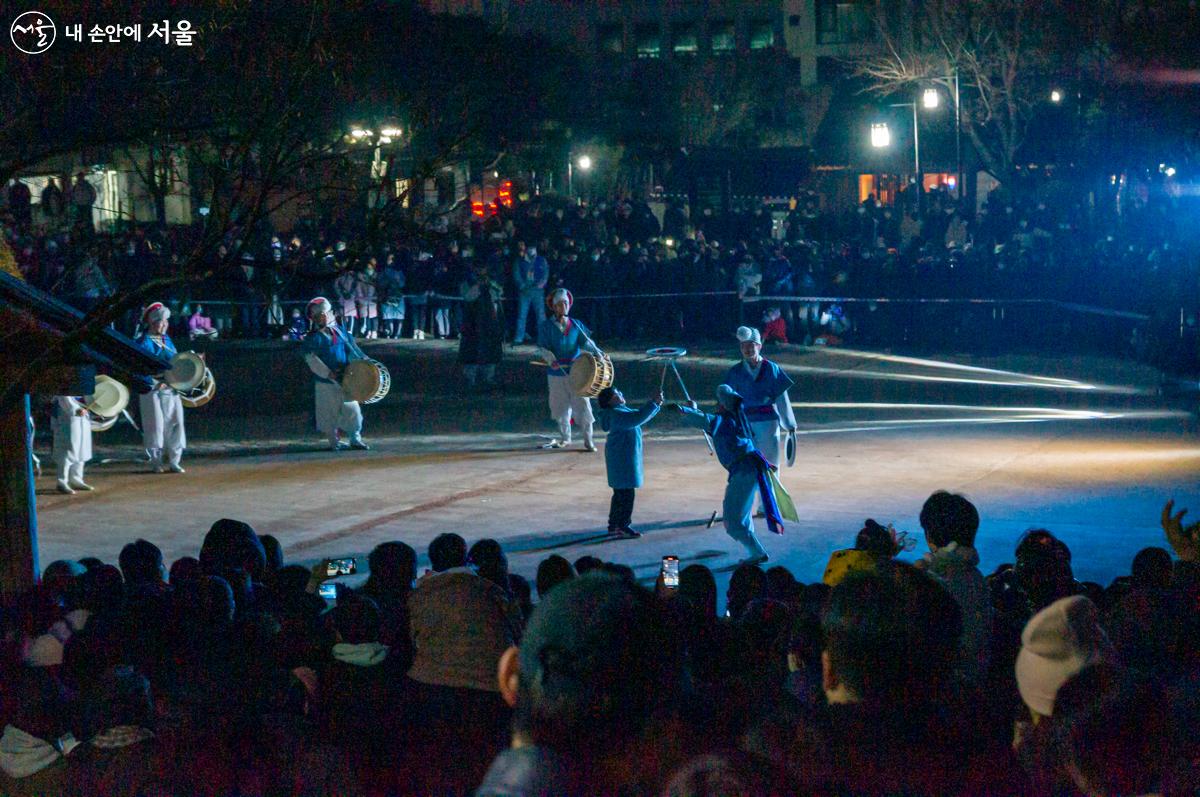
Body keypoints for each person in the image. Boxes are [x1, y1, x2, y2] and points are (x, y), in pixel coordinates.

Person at [677, 385, 785, 564]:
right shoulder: (735, 419)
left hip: (744, 472)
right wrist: (693, 410)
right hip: (748, 470)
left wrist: (684, 410)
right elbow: (709, 423)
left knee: (733, 520)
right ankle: (755, 551)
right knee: (741, 516)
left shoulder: (725, 420)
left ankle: (757, 552)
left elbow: (706, 421)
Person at [723, 326, 796, 473]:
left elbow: (782, 400)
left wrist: (789, 425)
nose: (747, 349)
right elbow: (728, 402)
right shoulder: (735, 372)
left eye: (751, 345)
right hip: (744, 425)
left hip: (768, 423)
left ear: (759, 346)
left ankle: (769, 496)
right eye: (743, 346)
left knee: (770, 466)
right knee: (748, 468)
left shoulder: (772, 369)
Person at [301, 296, 369, 451]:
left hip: (346, 379)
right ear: (315, 319)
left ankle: (355, 439)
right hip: (326, 381)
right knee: (328, 412)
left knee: (353, 411)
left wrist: (363, 363)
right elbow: (311, 358)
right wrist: (327, 373)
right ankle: (334, 441)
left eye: (325, 314)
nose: (323, 317)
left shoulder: (341, 333)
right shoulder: (313, 338)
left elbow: (353, 351)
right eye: (319, 315)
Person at [536, 288, 600, 451]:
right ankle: (566, 437)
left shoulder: (576, 324)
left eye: (565, 303)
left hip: (576, 370)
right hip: (556, 372)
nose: (563, 306)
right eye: (560, 304)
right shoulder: (546, 326)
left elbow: (586, 343)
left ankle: (588, 439)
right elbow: (542, 348)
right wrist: (551, 360)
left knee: (583, 404)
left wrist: (597, 351)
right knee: (560, 406)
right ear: (554, 307)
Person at [596, 386, 663, 539]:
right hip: (623, 460)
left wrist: (655, 404)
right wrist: (653, 403)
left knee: (620, 494)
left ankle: (614, 525)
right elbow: (636, 418)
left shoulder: (618, 411)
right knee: (626, 495)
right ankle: (622, 526)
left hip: (621, 459)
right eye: (618, 393)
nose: (621, 394)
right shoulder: (617, 414)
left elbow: (638, 416)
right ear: (612, 399)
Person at [134, 302, 186, 473]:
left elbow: (175, 361)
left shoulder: (167, 340)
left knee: (176, 422)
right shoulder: (142, 342)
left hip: (170, 387)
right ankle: (156, 461)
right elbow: (137, 367)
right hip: (152, 389)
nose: (164, 324)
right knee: (155, 425)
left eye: (166, 321)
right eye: (160, 321)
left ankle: (174, 460)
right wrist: (155, 382)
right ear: (151, 322)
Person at [458, 260, 505, 390]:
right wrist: (478, 286)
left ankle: (489, 377)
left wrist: (490, 286)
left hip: (489, 322)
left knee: (491, 350)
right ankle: (470, 378)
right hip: (472, 323)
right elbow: (467, 296)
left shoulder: (490, 282)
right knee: (471, 350)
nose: (481, 271)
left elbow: (499, 293)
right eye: (479, 268)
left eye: (483, 268)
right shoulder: (467, 281)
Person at [50, 395, 93, 494]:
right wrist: (74, 408)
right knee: (67, 448)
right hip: (66, 415)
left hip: (83, 412)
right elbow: (63, 395)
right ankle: (62, 481)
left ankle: (76, 479)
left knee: (82, 447)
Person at [512, 242, 548, 344]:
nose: (531, 250)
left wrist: (540, 285)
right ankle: (519, 337)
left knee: (541, 315)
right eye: (530, 247)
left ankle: (543, 338)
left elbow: (545, 274)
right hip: (524, 292)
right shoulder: (520, 261)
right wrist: (522, 286)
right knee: (522, 315)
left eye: (533, 248)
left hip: (538, 291)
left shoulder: (541, 260)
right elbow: (517, 274)